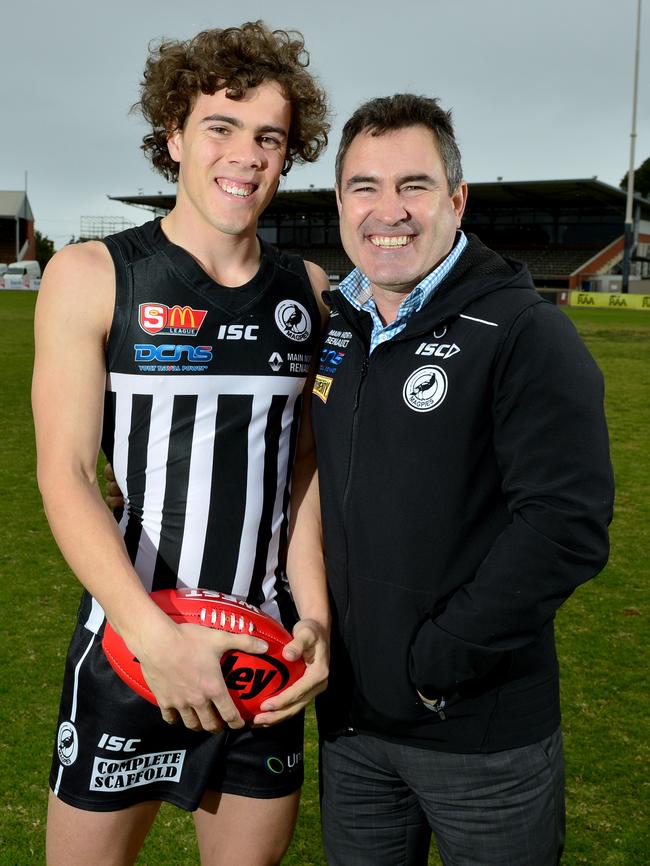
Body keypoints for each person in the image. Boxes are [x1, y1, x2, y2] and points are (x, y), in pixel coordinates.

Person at [32, 22, 331, 866]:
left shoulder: (308, 293)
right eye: (221, 127)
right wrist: (156, 642)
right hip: (131, 650)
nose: (246, 154)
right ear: (173, 136)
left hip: (262, 663)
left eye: (269, 136)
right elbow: (64, 474)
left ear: (288, 153)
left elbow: (301, 470)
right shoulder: (94, 275)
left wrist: (314, 617)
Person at [310, 94, 614, 866]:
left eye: (414, 185)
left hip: (479, 737)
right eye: (366, 187)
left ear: (456, 199)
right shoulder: (334, 326)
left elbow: (565, 527)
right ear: (340, 201)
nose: (390, 211)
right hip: (350, 732)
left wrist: (435, 664)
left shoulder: (524, 331)